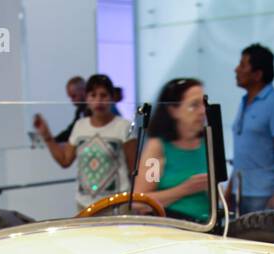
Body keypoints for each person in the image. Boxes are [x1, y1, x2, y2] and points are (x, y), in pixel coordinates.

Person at [33, 75, 134, 211]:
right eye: (93, 95)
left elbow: (134, 169)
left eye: (103, 95)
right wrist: (47, 136)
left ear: (111, 97)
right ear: (87, 99)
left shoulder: (124, 126)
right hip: (85, 205)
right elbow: (65, 160)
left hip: (117, 204)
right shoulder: (80, 126)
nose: (98, 101)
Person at [133, 78, 211, 223]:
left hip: (208, 224)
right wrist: (185, 189)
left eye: (204, 104)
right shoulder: (158, 148)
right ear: (173, 110)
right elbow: (141, 201)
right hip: (173, 225)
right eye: (194, 105)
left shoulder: (208, 144)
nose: (202, 111)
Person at [232, 43, 274, 214]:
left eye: (242, 65)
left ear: (257, 74)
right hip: (240, 192)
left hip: (264, 194)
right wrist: (230, 188)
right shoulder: (244, 102)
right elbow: (242, 151)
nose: (236, 69)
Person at [54, 75, 87, 143]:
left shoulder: (96, 111)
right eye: (70, 97)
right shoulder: (79, 111)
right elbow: (71, 130)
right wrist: (53, 141)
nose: (72, 100)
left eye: (74, 96)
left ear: (84, 92)